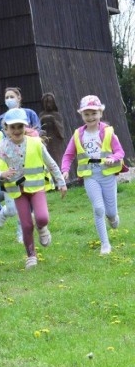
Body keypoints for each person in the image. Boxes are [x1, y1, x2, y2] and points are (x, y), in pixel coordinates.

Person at [0, 109, 67, 270]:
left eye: (20, 126)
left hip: (36, 187)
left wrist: (61, 182)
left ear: (25, 127)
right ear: (6, 129)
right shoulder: (4, 148)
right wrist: (2, 174)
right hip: (18, 191)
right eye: (12, 127)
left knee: (42, 218)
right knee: (26, 225)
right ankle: (31, 256)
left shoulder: (35, 143)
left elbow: (51, 163)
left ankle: (42, 228)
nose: (17, 130)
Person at [61, 95, 124, 255]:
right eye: (86, 114)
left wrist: (112, 158)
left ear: (100, 114)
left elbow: (120, 152)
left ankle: (113, 218)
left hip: (107, 175)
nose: (90, 117)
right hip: (90, 176)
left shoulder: (108, 132)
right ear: (82, 115)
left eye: (94, 113)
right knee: (98, 208)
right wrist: (65, 169)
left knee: (110, 213)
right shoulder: (77, 135)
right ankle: (105, 244)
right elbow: (68, 155)